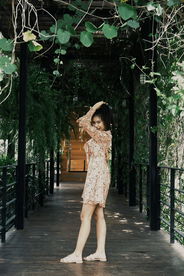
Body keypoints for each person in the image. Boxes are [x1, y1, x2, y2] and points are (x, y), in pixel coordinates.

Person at [60, 101, 113, 264]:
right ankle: (100, 252)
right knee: (98, 215)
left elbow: (82, 122)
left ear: (106, 121)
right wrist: (92, 114)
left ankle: (77, 254)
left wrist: (94, 107)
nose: (96, 125)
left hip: (98, 178)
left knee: (85, 215)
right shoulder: (99, 135)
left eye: (99, 122)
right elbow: (82, 122)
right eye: (94, 122)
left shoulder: (104, 135)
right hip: (96, 176)